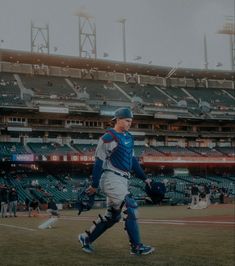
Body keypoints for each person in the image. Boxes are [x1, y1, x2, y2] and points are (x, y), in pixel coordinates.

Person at [78, 107, 155, 255]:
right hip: (111, 178)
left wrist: (145, 178)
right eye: (127, 120)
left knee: (113, 216)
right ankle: (136, 247)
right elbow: (99, 162)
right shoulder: (108, 138)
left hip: (122, 179)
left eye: (131, 121)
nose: (129, 123)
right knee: (130, 205)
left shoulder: (129, 137)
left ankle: (86, 238)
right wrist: (94, 185)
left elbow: (132, 161)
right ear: (118, 119)